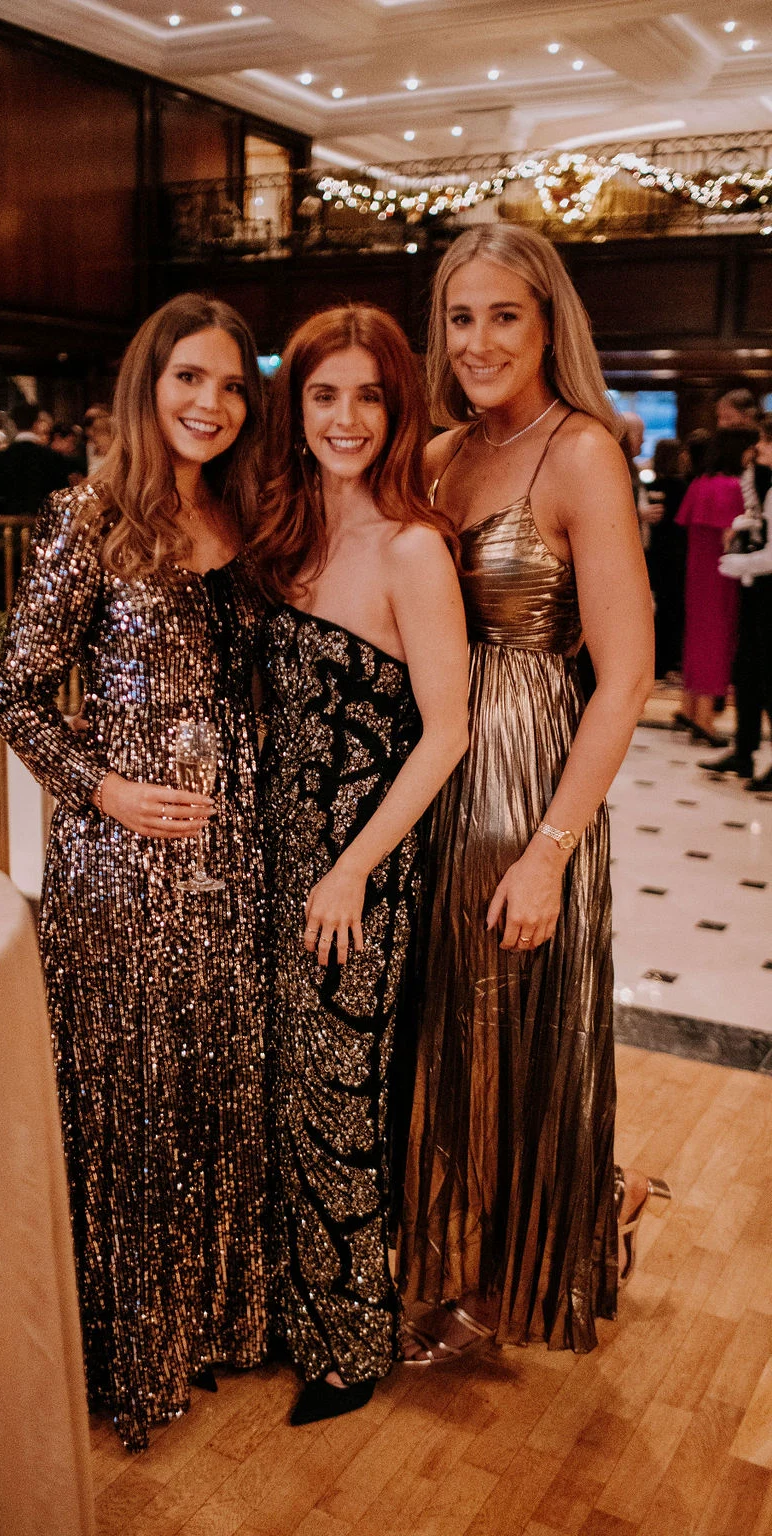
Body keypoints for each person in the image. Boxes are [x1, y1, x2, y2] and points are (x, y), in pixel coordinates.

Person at [0, 293, 270, 1451]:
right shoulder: (88, 515)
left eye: (231, 384)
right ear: (146, 385)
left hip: (233, 858)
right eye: (187, 378)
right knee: (131, 1099)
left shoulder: (248, 514)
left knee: (214, 1082)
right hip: (119, 867)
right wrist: (103, 788)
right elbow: (16, 694)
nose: (210, 402)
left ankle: (212, 1322)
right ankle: (126, 1350)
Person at [396, 224, 661, 1369]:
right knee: (440, 1028)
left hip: (526, 783)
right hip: (430, 771)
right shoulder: (438, 453)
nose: (478, 341)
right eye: (460, 318)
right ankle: (517, 1227)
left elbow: (628, 675)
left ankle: (500, 1279)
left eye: (504, 315)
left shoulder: (582, 452)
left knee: (510, 1027)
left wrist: (553, 847)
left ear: (550, 324)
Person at [252, 304, 469, 1426]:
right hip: (269, 857)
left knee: (340, 1104)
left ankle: (350, 1344)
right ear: (295, 406)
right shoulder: (284, 531)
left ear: (398, 409)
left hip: (358, 877)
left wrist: (350, 871)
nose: (345, 418)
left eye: (369, 396)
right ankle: (288, 1310)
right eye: (324, 394)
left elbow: (448, 732)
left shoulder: (411, 547)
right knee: (280, 1094)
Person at [674, 427, 758, 747]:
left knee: (696, 637)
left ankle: (689, 707)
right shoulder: (731, 486)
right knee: (717, 640)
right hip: (720, 574)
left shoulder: (701, 483)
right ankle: (705, 718)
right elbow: (729, 535)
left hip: (696, 573)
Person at [707, 415, 772, 790]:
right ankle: (743, 751)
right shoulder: (762, 479)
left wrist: (738, 564)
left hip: (766, 588)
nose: (759, 446)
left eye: (766, 441)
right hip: (758, 590)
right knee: (747, 672)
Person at [643, 438, 688, 679]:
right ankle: (668, 661)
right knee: (672, 608)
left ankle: (657, 663)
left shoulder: (651, 485)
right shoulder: (681, 487)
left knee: (658, 609)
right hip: (675, 556)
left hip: (654, 554)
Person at [0, 398, 69, 516]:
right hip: (43, 520)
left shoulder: (1, 457)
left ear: (14, 424)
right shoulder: (52, 457)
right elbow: (61, 494)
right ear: (36, 423)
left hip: (8, 522)